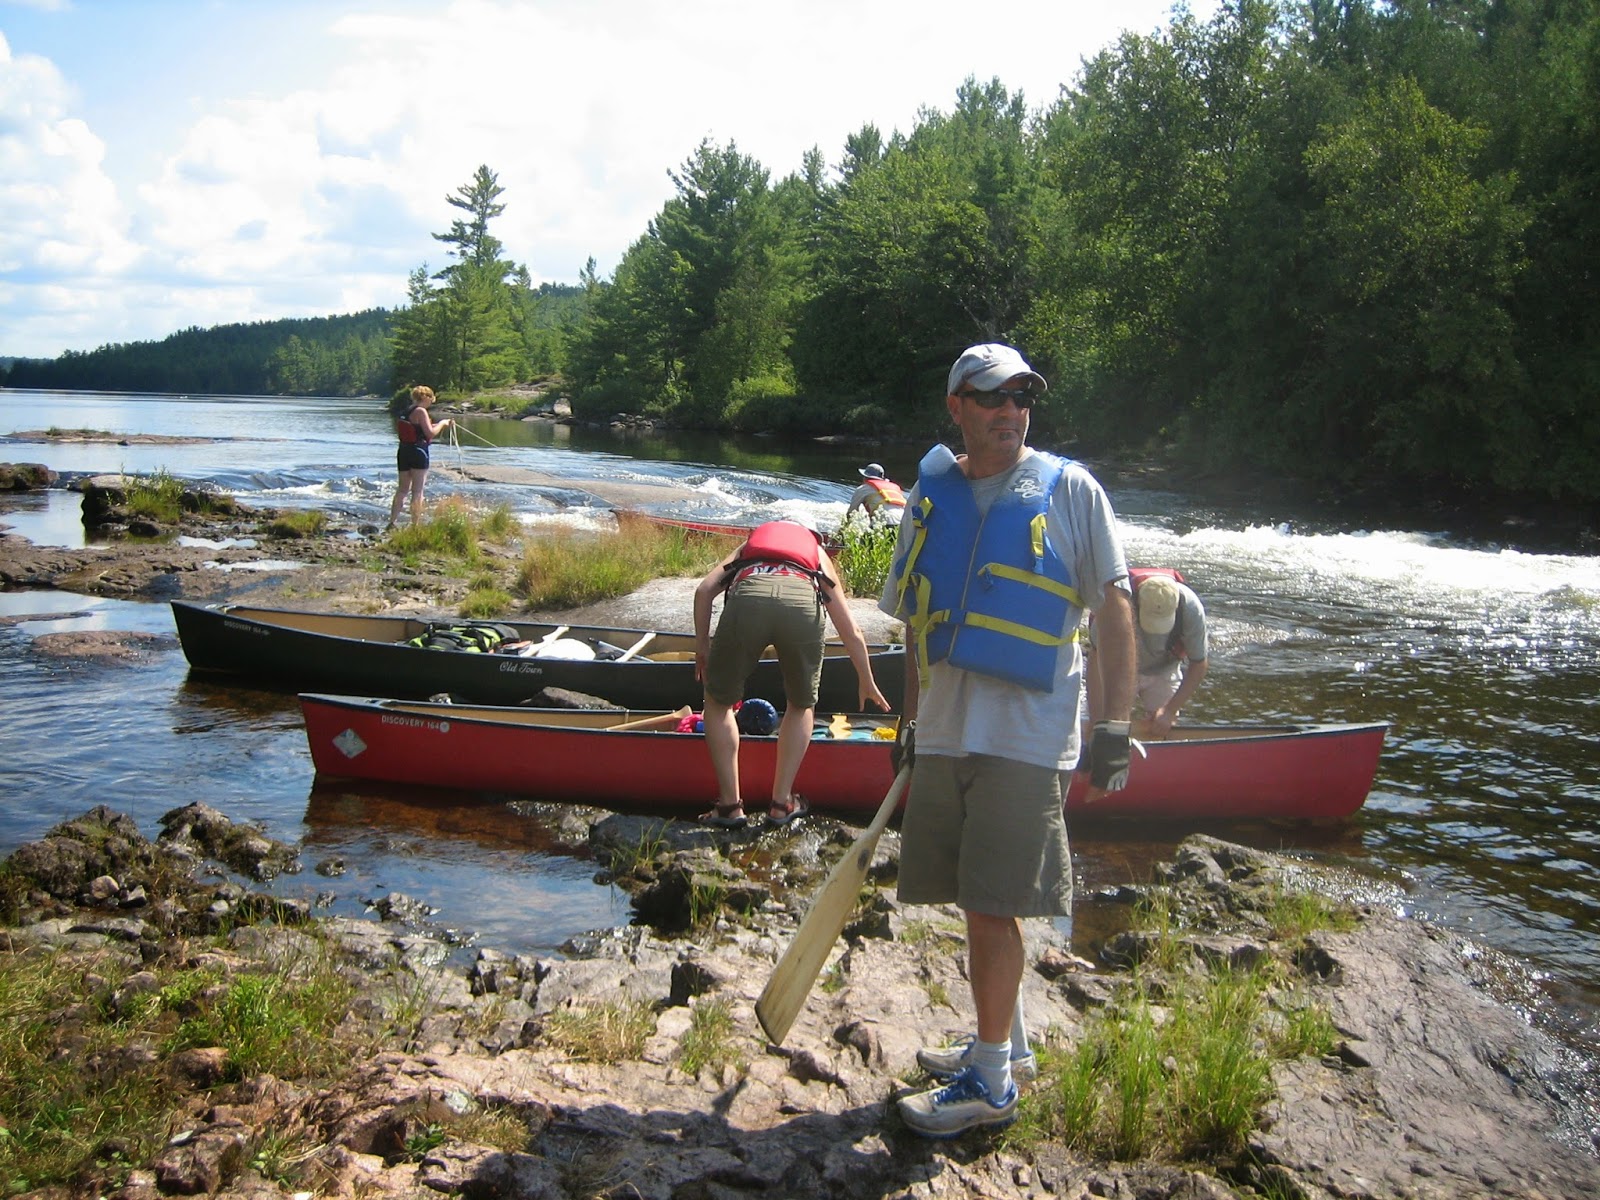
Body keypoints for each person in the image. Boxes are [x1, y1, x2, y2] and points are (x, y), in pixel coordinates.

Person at [880, 342, 1136, 1138]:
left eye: (1022, 397)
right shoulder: (932, 498)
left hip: (1028, 737)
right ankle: (1007, 1044)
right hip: (951, 731)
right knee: (977, 899)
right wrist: (910, 723)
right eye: (992, 397)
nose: (1010, 411)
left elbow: (1117, 605)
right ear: (956, 404)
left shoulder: (1071, 490)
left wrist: (1115, 728)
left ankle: (989, 1084)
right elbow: (920, 620)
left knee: (993, 904)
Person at [693, 518, 890, 828]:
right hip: (801, 604)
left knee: (717, 703)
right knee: (800, 704)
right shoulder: (815, 552)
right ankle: (781, 803)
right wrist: (866, 679)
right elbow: (850, 629)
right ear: (812, 537)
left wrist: (702, 646)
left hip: (749, 600)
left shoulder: (750, 547)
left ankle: (730, 807)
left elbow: (704, 591)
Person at [1086, 569, 1208, 739]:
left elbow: (1199, 664)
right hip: (1120, 668)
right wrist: (1096, 717)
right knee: (1108, 723)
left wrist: (1169, 711)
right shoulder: (1114, 603)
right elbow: (1096, 659)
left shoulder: (1190, 607)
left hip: (1165, 669)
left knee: (1164, 728)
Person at [387, 385, 452, 530]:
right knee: (417, 491)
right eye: (431, 399)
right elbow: (430, 434)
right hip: (418, 452)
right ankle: (415, 525)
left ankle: (392, 522)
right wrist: (442, 424)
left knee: (402, 490)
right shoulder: (421, 411)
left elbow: (418, 428)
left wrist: (436, 424)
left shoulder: (406, 410)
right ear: (426, 397)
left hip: (403, 451)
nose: (431, 402)